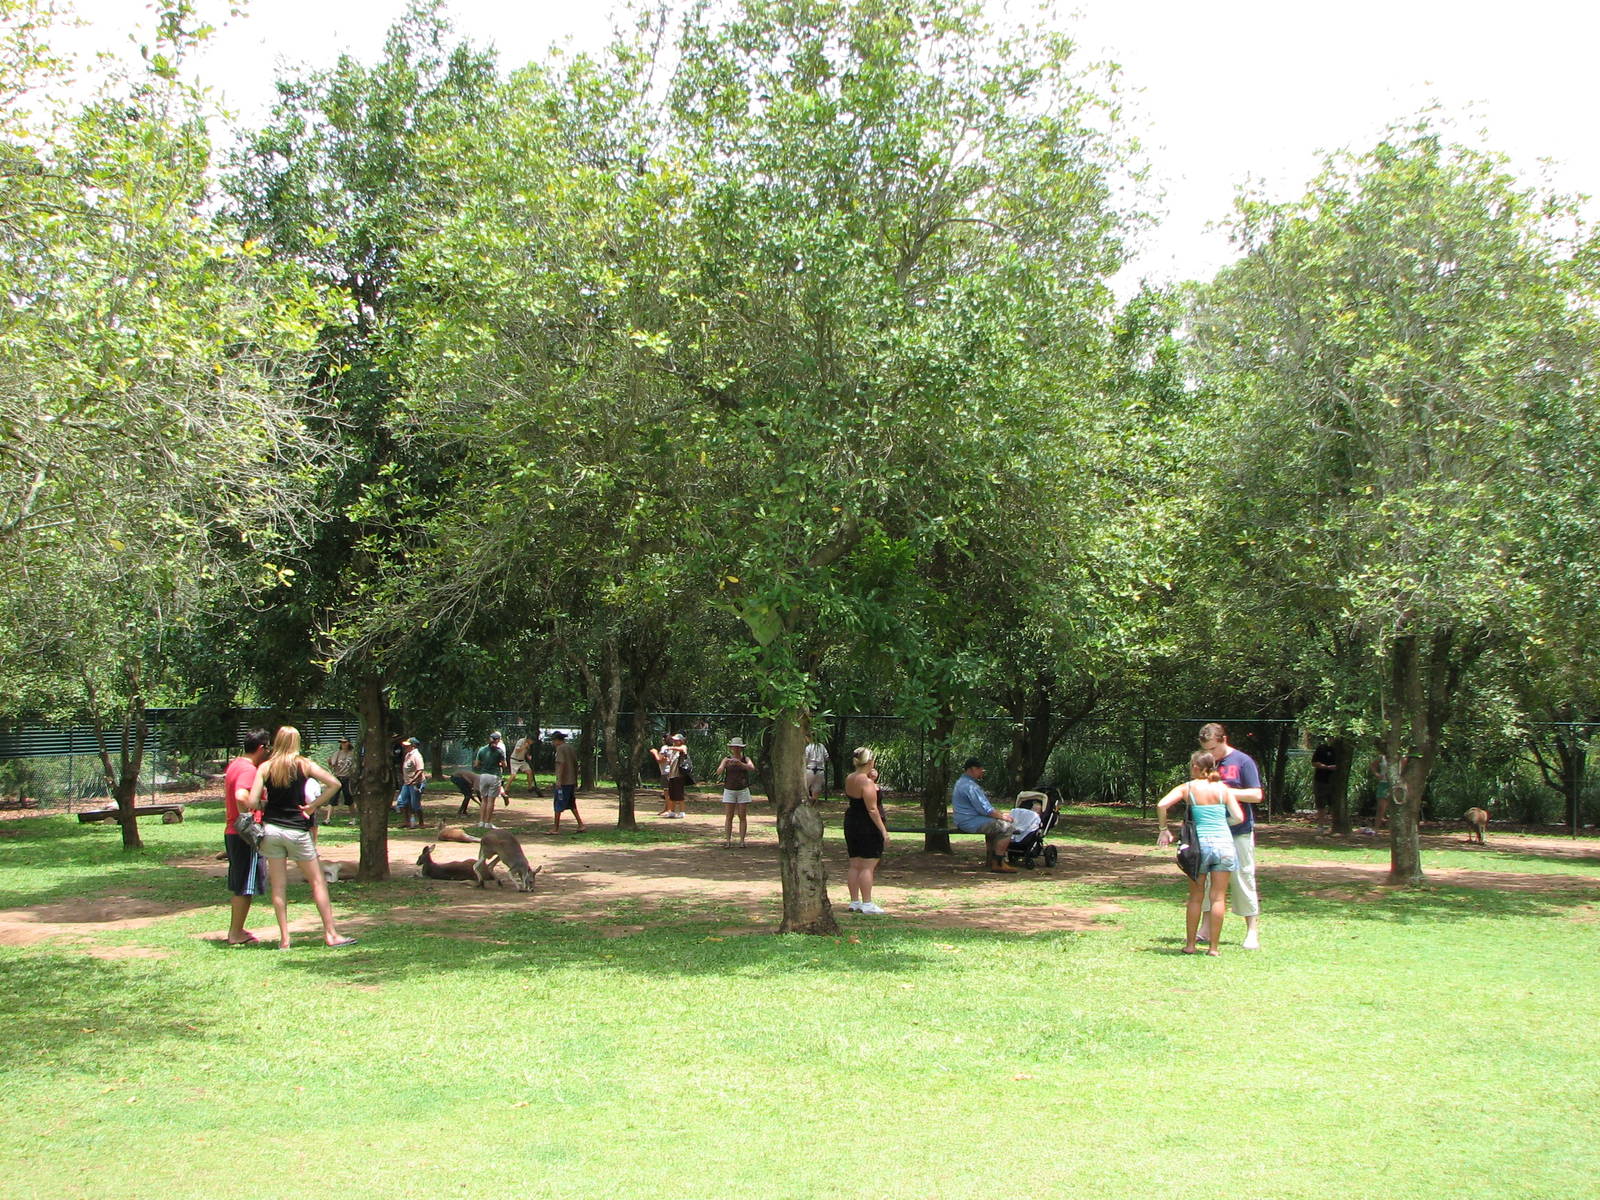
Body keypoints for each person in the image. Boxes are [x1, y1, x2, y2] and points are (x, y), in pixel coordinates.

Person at [243, 726, 355, 949]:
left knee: (278, 886)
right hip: (297, 829)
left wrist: (266, 804)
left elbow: (252, 802)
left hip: (272, 830)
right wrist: (313, 806)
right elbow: (335, 784)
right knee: (317, 881)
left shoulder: (266, 767)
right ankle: (331, 934)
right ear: (296, 742)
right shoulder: (304, 764)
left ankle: (285, 939)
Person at [1155, 750, 1245, 955]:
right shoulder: (1223, 789)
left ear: (1196, 767)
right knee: (1218, 898)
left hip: (1199, 846)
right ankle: (1213, 948)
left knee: (1196, 896)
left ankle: (1190, 945)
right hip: (1224, 845)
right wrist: (1223, 823)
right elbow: (1239, 817)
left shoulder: (1188, 788)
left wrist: (1164, 830)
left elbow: (1162, 805)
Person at [1196, 722, 1264, 949]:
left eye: (1213, 749)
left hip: (1238, 832)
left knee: (1243, 877)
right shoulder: (1206, 762)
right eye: (1206, 750)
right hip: (1211, 832)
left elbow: (1256, 795)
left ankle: (1252, 931)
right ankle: (1205, 929)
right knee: (1206, 882)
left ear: (1224, 740)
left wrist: (1225, 793)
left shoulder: (1243, 761)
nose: (1210, 755)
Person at [222, 728, 271, 945]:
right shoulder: (249, 770)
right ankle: (236, 933)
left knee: (241, 882)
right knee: (245, 885)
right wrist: (259, 809)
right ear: (261, 748)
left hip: (233, 832)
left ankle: (237, 930)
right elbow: (241, 796)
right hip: (244, 835)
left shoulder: (236, 764)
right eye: (268, 748)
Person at [843, 747, 889, 913]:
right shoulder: (867, 782)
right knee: (868, 865)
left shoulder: (850, 778)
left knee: (855, 864)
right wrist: (883, 830)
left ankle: (854, 901)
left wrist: (872, 779)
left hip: (851, 822)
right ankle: (867, 903)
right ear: (870, 762)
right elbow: (872, 809)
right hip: (867, 825)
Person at [951, 758, 1016, 873]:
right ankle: (999, 863)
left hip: (964, 820)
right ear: (972, 769)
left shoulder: (961, 782)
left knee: (994, 827)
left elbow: (984, 809)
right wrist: (1003, 817)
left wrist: (999, 814)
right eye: (980, 769)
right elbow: (986, 809)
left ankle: (991, 861)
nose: (982, 772)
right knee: (1007, 827)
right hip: (970, 822)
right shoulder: (970, 786)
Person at [716, 737, 756, 848]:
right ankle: (728, 840)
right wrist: (725, 764)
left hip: (743, 789)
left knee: (742, 815)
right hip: (729, 789)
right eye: (734, 747)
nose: (736, 749)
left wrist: (740, 764)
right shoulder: (726, 759)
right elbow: (718, 771)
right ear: (731, 748)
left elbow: (752, 768)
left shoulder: (745, 759)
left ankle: (742, 841)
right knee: (729, 815)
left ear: (741, 748)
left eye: (738, 747)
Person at [549, 730, 585, 833]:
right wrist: (576, 779)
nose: (553, 743)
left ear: (557, 740)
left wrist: (558, 780)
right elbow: (575, 764)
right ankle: (580, 824)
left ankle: (555, 828)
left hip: (564, 782)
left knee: (558, 804)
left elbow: (561, 764)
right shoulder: (570, 748)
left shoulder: (560, 749)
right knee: (571, 803)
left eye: (553, 740)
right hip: (571, 781)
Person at [474, 731, 509, 828]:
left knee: (484, 800)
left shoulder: (481, 750)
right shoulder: (499, 751)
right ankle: (488, 823)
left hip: (483, 775)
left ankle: (481, 822)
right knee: (491, 801)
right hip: (494, 775)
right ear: (498, 740)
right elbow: (504, 765)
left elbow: (476, 764)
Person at [651, 734, 689, 818]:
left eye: (676, 740)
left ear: (681, 741)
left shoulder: (683, 747)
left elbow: (682, 749)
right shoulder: (673, 751)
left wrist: (669, 748)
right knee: (672, 794)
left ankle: (682, 812)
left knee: (679, 794)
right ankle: (672, 811)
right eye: (674, 740)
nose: (674, 742)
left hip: (678, 775)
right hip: (671, 775)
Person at [396, 736, 425, 830]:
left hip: (415, 783)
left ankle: (421, 822)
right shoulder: (408, 755)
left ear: (413, 746)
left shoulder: (416, 755)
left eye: (407, 745)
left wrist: (413, 780)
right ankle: (407, 822)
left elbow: (420, 769)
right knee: (402, 801)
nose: (405, 747)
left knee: (415, 804)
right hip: (407, 783)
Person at [328, 737, 357, 824]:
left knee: (349, 798)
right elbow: (332, 764)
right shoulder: (337, 753)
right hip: (337, 777)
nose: (343, 744)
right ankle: (328, 818)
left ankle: (353, 818)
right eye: (341, 742)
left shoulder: (353, 754)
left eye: (344, 742)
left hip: (348, 777)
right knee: (333, 798)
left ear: (349, 743)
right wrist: (330, 763)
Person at [1007, 795, 1044, 861]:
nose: (1035, 811)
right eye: (1034, 809)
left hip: (1028, 833)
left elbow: (1035, 825)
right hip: (1020, 828)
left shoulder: (1036, 817)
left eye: (1037, 810)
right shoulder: (1027, 814)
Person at [508, 731, 541, 797]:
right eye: (532, 741)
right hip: (514, 760)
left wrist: (528, 755)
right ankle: (506, 789)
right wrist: (524, 746)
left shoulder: (529, 744)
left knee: (529, 772)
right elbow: (517, 750)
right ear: (529, 739)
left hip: (522, 761)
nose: (532, 743)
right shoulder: (521, 741)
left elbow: (525, 751)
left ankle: (529, 787)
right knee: (513, 776)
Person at [1311, 740, 1337, 820]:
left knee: (1334, 804)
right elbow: (1314, 762)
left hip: (1334, 782)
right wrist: (1327, 767)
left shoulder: (1339, 750)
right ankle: (1321, 825)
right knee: (1320, 804)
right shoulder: (1321, 748)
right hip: (1320, 780)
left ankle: (1334, 824)